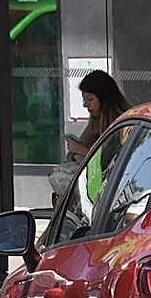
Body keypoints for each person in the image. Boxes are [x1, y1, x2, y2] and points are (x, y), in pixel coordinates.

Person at [49, 69, 130, 202]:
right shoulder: (96, 120)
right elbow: (82, 145)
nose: (85, 104)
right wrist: (76, 150)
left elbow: (111, 162)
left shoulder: (122, 123)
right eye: (84, 99)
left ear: (104, 98)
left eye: (90, 99)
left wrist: (80, 150)